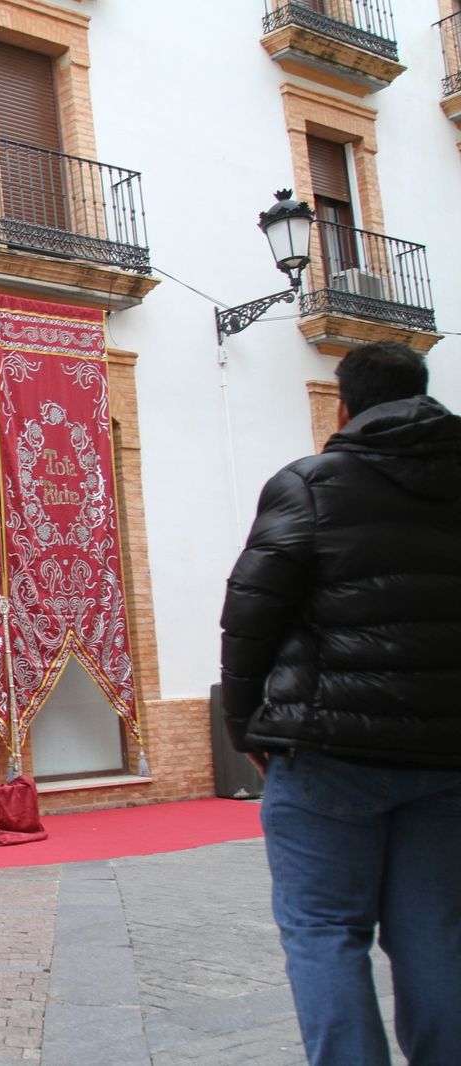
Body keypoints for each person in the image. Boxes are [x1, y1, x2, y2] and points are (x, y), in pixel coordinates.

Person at [219, 341, 461, 1066]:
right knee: (436, 935)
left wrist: (246, 728)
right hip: (447, 754)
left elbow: (251, 614)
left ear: (343, 405)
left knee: (324, 932)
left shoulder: (313, 483)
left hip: (327, 748)